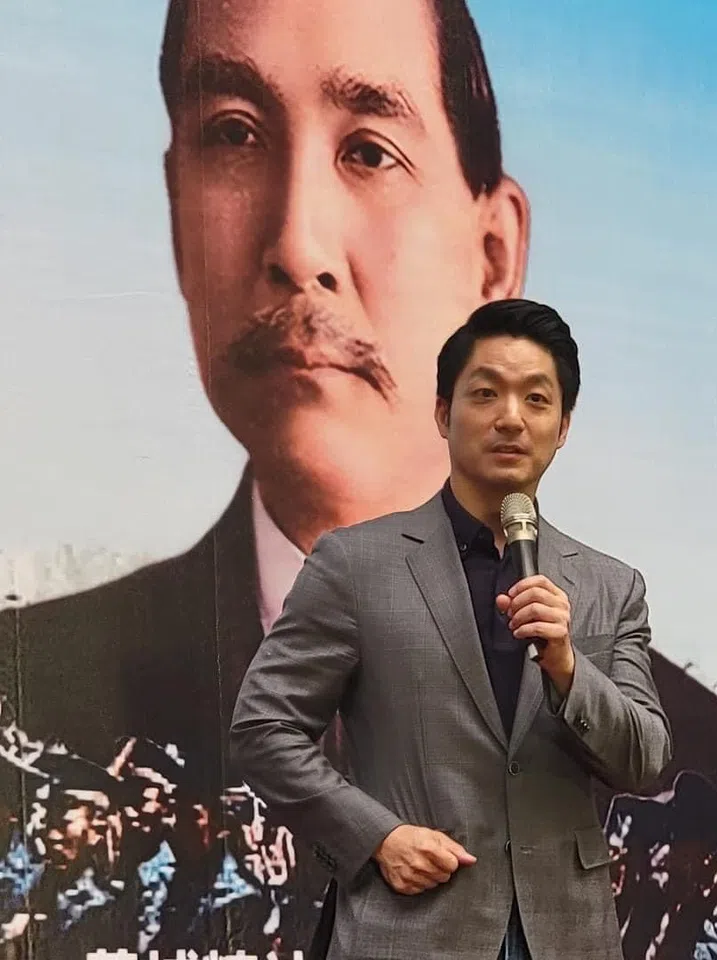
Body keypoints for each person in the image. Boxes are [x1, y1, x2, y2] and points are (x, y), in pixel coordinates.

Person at [0, 0, 529, 956]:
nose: (296, 246)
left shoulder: (686, 774)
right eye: (234, 135)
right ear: (176, 211)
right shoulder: (23, 710)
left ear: (493, 258)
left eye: (368, 151)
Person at [230, 298, 672, 960]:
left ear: (563, 427)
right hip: (411, 927)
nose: (511, 418)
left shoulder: (611, 586)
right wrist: (375, 838)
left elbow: (645, 759)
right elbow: (264, 729)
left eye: (536, 399)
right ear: (443, 413)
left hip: (567, 934)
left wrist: (567, 668)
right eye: (486, 393)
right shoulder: (357, 564)